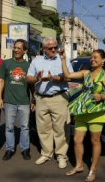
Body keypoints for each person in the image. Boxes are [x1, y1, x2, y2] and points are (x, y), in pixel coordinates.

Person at [61, 49, 105, 182]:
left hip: (96, 113)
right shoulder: (86, 73)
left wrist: (103, 96)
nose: (92, 59)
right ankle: (79, 165)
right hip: (82, 111)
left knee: (95, 141)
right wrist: (63, 59)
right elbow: (67, 75)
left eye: (96, 57)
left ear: (103, 60)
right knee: (77, 140)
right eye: (91, 57)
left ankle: (93, 169)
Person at [26, 37, 73, 169]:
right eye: (50, 48)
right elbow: (28, 78)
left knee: (61, 129)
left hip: (59, 98)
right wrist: (37, 78)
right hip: (41, 99)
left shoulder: (63, 59)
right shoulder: (37, 60)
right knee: (43, 128)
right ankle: (46, 153)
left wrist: (53, 78)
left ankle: (61, 155)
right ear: (43, 48)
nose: (54, 50)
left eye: (55, 47)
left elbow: (69, 77)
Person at [0, 39, 35, 161]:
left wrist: (33, 99)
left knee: (24, 127)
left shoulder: (29, 66)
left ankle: (25, 149)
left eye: (19, 48)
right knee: (9, 127)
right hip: (9, 101)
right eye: (15, 47)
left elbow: (32, 85)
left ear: (25, 51)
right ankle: (10, 149)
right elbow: (1, 81)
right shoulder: (6, 63)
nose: (16, 50)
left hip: (24, 101)